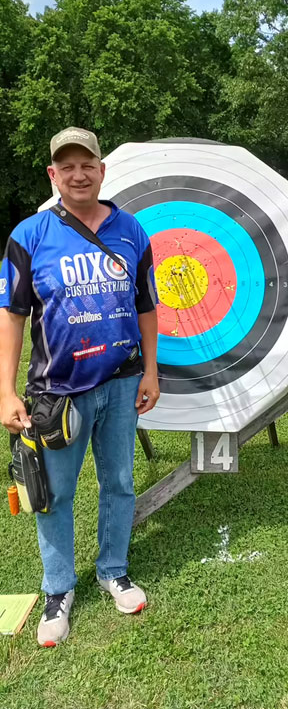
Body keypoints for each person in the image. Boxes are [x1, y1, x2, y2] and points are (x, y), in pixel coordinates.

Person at [0, 126, 160, 647]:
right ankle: (58, 589)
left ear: (102, 169)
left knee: (118, 482)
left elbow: (146, 306)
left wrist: (151, 372)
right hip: (57, 393)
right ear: (53, 175)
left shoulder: (132, 230)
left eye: (86, 163)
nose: (78, 174)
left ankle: (113, 569)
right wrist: (6, 391)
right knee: (54, 494)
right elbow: (12, 315)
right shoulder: (29, 235)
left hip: (121, 384)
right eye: (66, 166)